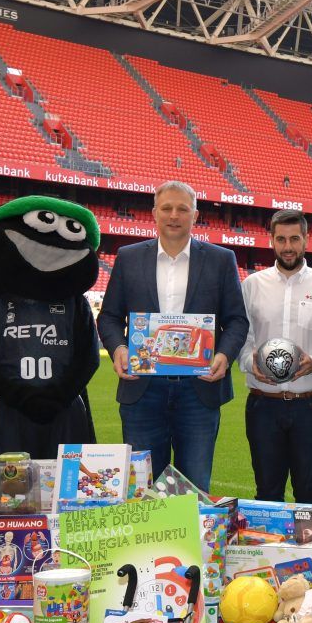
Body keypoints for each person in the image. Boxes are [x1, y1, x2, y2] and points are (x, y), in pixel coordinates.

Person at [95, 180, 248, 493]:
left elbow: (237, 321)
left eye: (183, 208)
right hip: (143, 391)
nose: (174, 215)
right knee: (143, 490)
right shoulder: (129, 257)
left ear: (195, 214)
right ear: (154, 213)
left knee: (194, 487)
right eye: (167, 208)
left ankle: (191, 543)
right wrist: (120, 348)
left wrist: (223, 356)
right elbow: (109, 316)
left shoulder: (221, 259)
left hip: (198, 392)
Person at [239, 209, 312, 505]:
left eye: (294, 238)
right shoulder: (252, 285)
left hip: (310, 405)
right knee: (267, 493)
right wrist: (251, 363)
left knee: (309, 493)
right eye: (281, 239)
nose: (288, 246)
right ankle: (269, 552)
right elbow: (242, 340)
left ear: (306, 239)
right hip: (263, 404)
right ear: (271, 240)